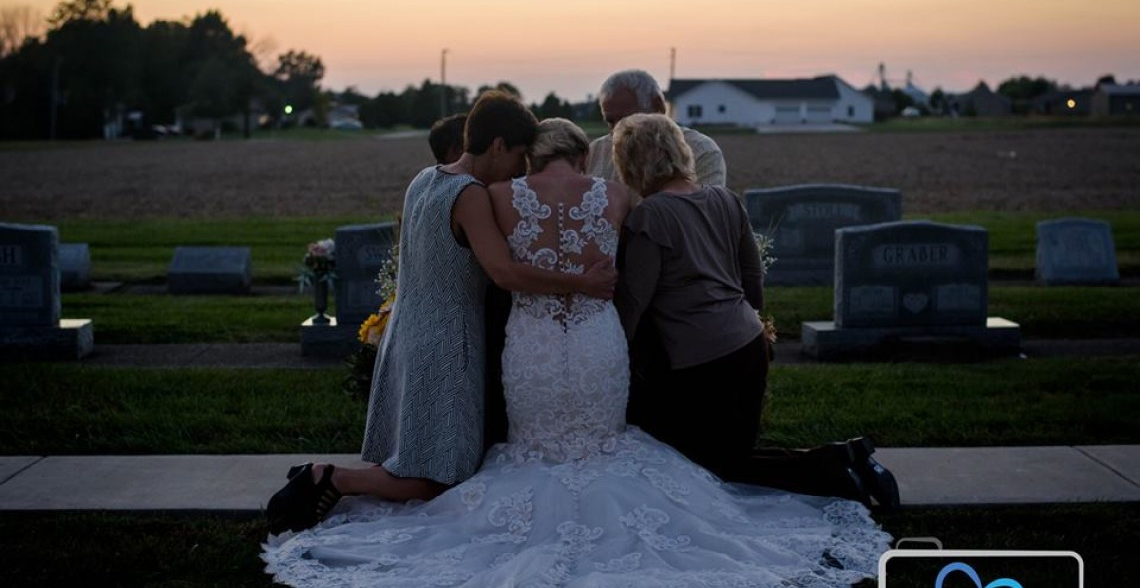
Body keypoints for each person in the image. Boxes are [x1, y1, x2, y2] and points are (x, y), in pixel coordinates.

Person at [262, 117, 891, 587]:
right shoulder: (620, 200)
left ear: (531, 155)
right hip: (597, 340)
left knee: (538, 447)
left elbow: (496, 274)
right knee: (605, 445)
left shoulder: (496, 197)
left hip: (532, 342)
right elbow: (648, 267)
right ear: (581, 155)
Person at [265, 92, 617, 535]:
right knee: (441, 478)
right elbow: (504, 272)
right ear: (497, 146)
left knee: (421, 455)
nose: (518, 172)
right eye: (517, 158)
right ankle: (330, 477)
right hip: (449, 344)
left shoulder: (425, 178)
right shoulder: (469, 196)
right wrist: (583, 283)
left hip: (409, 332)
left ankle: (331, 476)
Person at [612, 113, 899, 509]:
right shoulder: (726, 200)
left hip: (698, 360)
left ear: (631, 163)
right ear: (679, 151)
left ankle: (838, 471)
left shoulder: (650, 216)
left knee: (712, 465)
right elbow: (753, 277)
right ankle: (846, 459)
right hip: (746, 344)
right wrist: (755, 327)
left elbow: (634, 301)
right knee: (731, 454)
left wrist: (613, 354)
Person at [587, 69, 726, 187]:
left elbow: (702, 213)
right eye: (610, 121)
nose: (618, 131)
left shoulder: (701, 151)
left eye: (628, 121)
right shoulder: (595, 152)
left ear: (658, 107)